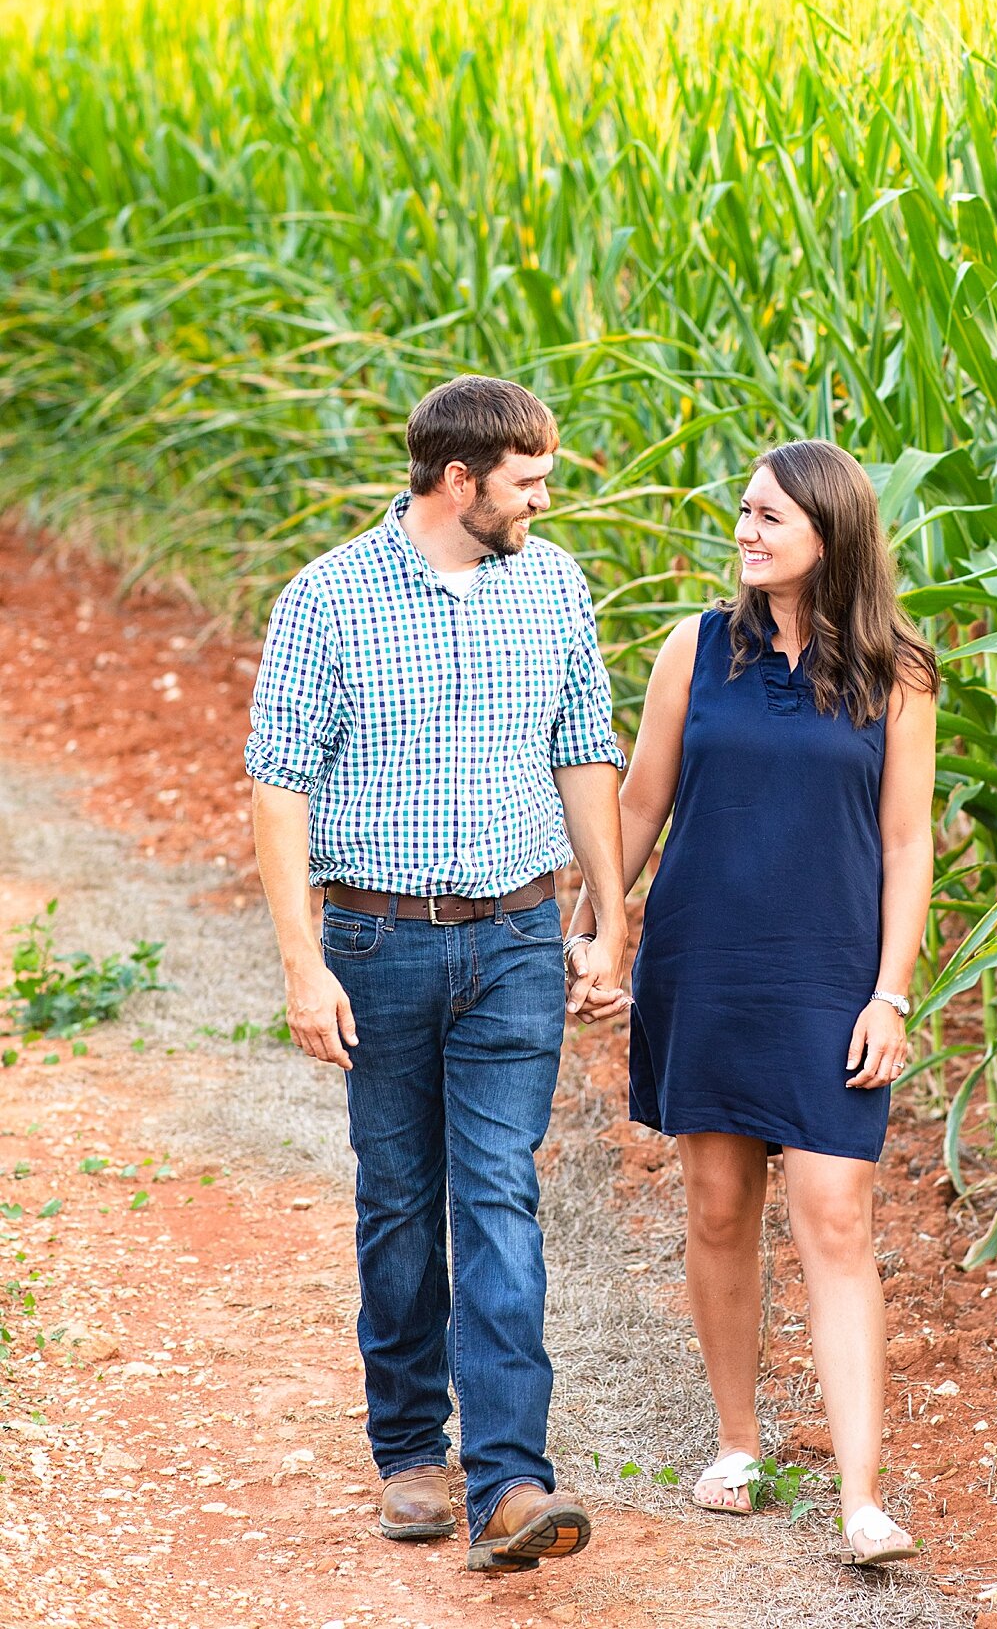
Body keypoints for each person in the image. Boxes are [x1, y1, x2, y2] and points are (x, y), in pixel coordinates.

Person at [245, 375, 628, 1578]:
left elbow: (583, 751)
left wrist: (609, 917)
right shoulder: (328, 598)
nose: (543, 499)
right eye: (528, 481)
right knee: (403, 1199)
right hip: (379, 941)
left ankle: (512, 1479)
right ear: (459, 481)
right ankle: (412, 1449)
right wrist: (303, 964)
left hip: (516, 940)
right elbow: (278, 781)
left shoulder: (554, 585)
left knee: (500, 1195)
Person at [566, 438, 938, 1568]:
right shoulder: (695, 649)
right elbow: (637, 807)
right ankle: (737, 1444)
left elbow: (909, 844)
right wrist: (600, 930)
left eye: (770, 517)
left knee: (836, 1216)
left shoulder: (900, 673)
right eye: (744, 512)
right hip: (707, 960)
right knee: (719, 1208)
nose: (747, 531)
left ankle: (862, 1500)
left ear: (831, 533)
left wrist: (892, 995)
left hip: (829, 974)